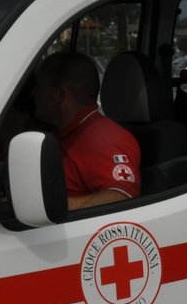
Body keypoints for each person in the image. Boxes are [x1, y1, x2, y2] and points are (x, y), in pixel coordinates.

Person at [32, 51, 139, 210]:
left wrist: (43, 207)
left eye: (39, 87)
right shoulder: (64, 132)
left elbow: (121, 197)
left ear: (59, 95)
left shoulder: (104, 139)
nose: (33, 93)